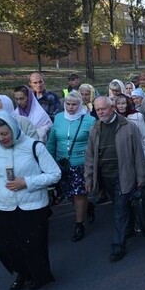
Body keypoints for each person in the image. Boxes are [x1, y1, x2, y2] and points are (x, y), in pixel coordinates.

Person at [0, 112, 61, 290]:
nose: (1, 138)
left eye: (5, 134)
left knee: (32, 245)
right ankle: (22, 272)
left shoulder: (34, 146)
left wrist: (27, 182)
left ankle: (37, 275)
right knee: (2, 245)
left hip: (32, 205)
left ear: (14, 128)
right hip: (3, 205)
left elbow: (55, 174)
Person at [84, 96, 145, 262]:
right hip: (105, 177)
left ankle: (118, 246)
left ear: (112, 107)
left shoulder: (128, 126)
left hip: (123, 175)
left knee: (120, 210)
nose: (100, 112)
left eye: (103, 108)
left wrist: (141, 176)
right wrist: (89, 178)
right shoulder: (95, 129)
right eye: (97, 110)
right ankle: (130, 227)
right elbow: (90, 156)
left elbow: (138, 153)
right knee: (120, 205)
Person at [46, 91, 96, 241]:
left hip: (81, 164)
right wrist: (47, 160)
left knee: (79, 194)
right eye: (68, 104)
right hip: (62, 165)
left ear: (80, 104)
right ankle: (89, 207)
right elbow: (52, 141)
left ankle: (79, 224)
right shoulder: (59, 118)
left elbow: (93, 144)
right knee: (70, 195)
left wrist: (92, 164)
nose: (71, 107)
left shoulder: (89, 120)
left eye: (74, 104)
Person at [114, 94, 145, 159]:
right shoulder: (114, 118)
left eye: (123, 103)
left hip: (137, 151)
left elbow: (144, 136)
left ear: (127, 104)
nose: (121, 106)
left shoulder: (138, 116)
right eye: (118, 104)